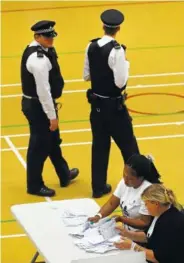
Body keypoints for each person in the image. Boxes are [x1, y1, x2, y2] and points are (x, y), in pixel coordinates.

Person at [83, 9, 139, 198]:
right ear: (118, 28)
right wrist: (127, 65)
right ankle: (137, 183)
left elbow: (86, 75)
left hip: (96, 105)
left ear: (103, 26)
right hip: (114, 108)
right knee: (129, 146)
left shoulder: (90, 46)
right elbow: (120, 82)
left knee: (99, 146)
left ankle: (98, 186)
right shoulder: (117, 50)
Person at [21, 20, 79, 197]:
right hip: (39, 106)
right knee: (39, 146)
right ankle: (34, 184)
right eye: (46, 36)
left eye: (51, 36)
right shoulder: (37, 59)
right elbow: (43, 91)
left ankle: (63, 174)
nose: (50, 39)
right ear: (37, 36)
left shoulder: (45, 51)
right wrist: (52, 116)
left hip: (42, 104)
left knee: (53, 141)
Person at [88, 154, 161, 231]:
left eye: (130, 179)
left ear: (141, 178)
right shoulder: (124, 183)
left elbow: (144, 223)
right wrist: (98, 216)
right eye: (124, 175)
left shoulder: (148, 192)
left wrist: (122, 219)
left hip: (141, 236)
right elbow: (111, 203)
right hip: (127, 232)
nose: (125, 181)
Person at [114, 184, 184, 263]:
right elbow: (149, 236)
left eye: (146, 204)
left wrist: (132, 246)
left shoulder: (170, 223)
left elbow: (158, 258)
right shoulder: (163, 211)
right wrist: (127, 234)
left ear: (155, 204)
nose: (146, 207)